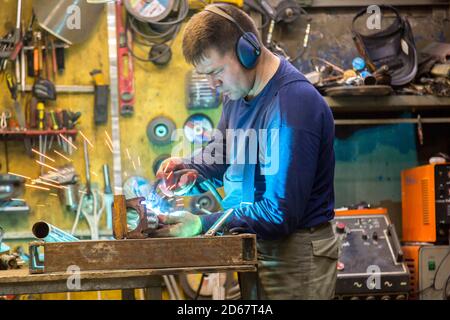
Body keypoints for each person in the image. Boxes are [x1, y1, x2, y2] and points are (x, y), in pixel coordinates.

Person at [153, 3, 338, 299]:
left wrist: (201, 223)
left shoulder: (292, 105)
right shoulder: (237, 95)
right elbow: (222, 156)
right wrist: (188, 170)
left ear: (247, 50)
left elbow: (279, 214)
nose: (213, 85)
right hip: (255, 247)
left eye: (216, 73)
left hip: (295, 258)